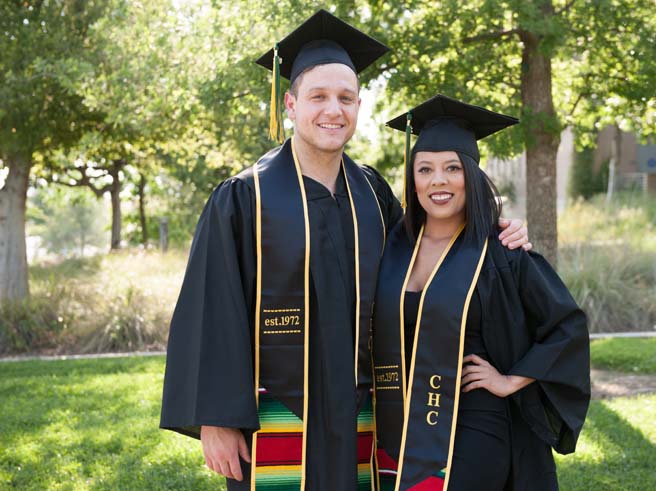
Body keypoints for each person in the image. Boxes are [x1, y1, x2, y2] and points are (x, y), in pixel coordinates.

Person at [159, 11, 531, 491]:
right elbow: (212, 310)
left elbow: (432, 256)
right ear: (290, 104)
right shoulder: (243, 197)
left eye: (345, 98)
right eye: (318, 97)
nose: (333, 110)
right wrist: (216, 419)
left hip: (368, 412)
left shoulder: (373, 195)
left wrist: (497, 230)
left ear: (358, 106)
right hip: (276, 414)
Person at [372, 95, 591, 491]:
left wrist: (510, 380)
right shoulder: (393, 245)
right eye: (425, 169)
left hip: (475, 421)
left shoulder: (500, 252)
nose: (438, 180)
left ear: (470, 176)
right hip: (400, 418)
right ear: (412, 179)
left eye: (452, 168)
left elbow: (567, 326)